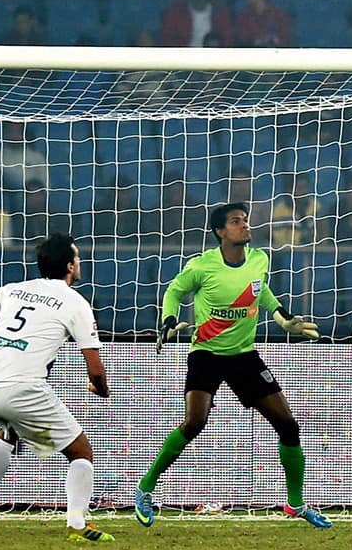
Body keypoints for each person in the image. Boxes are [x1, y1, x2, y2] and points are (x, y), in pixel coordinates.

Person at [133, 203, 332, 528]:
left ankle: (295, 504)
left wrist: (282, 317)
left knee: (288, 425)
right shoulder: (203, 266)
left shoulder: (259, 259)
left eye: (245, 220)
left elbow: (259, 290)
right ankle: (144, 488)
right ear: (220, 232)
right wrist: (168, 319)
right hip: (207, 354)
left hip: (243, 356)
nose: (244, 225)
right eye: (236, 222)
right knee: (195, 421)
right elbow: (174, 291)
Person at [0, 233, 114, 541]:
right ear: (69, 266)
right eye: (77, 258)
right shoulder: (76, 302)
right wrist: (101, 389)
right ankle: (78, 524)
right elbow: (95, 368)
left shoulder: (15, 289)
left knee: (7, 432)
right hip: (22, 389)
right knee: (80, 451)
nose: (79, 263)